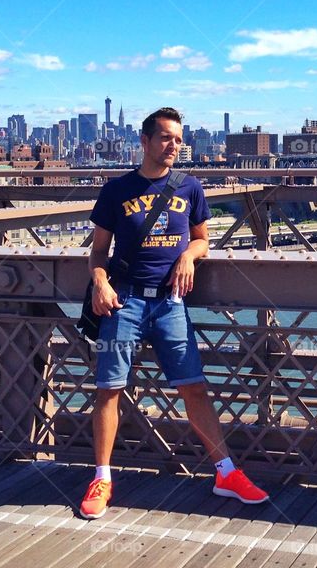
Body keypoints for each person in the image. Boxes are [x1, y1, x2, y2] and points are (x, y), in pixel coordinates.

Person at [79, 107, 268, 519]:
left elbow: (203, 240)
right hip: (123, 301)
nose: (174, 146)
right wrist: (100, 281)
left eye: (178, 140)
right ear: (144, 142)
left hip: (171, 303)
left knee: (194, 387)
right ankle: (102, 477)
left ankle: (225, 473)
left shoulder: (190, 188)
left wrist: (188, 256)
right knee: (109, 389)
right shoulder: (116, 191)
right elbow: (98, 251)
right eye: (165, 138)